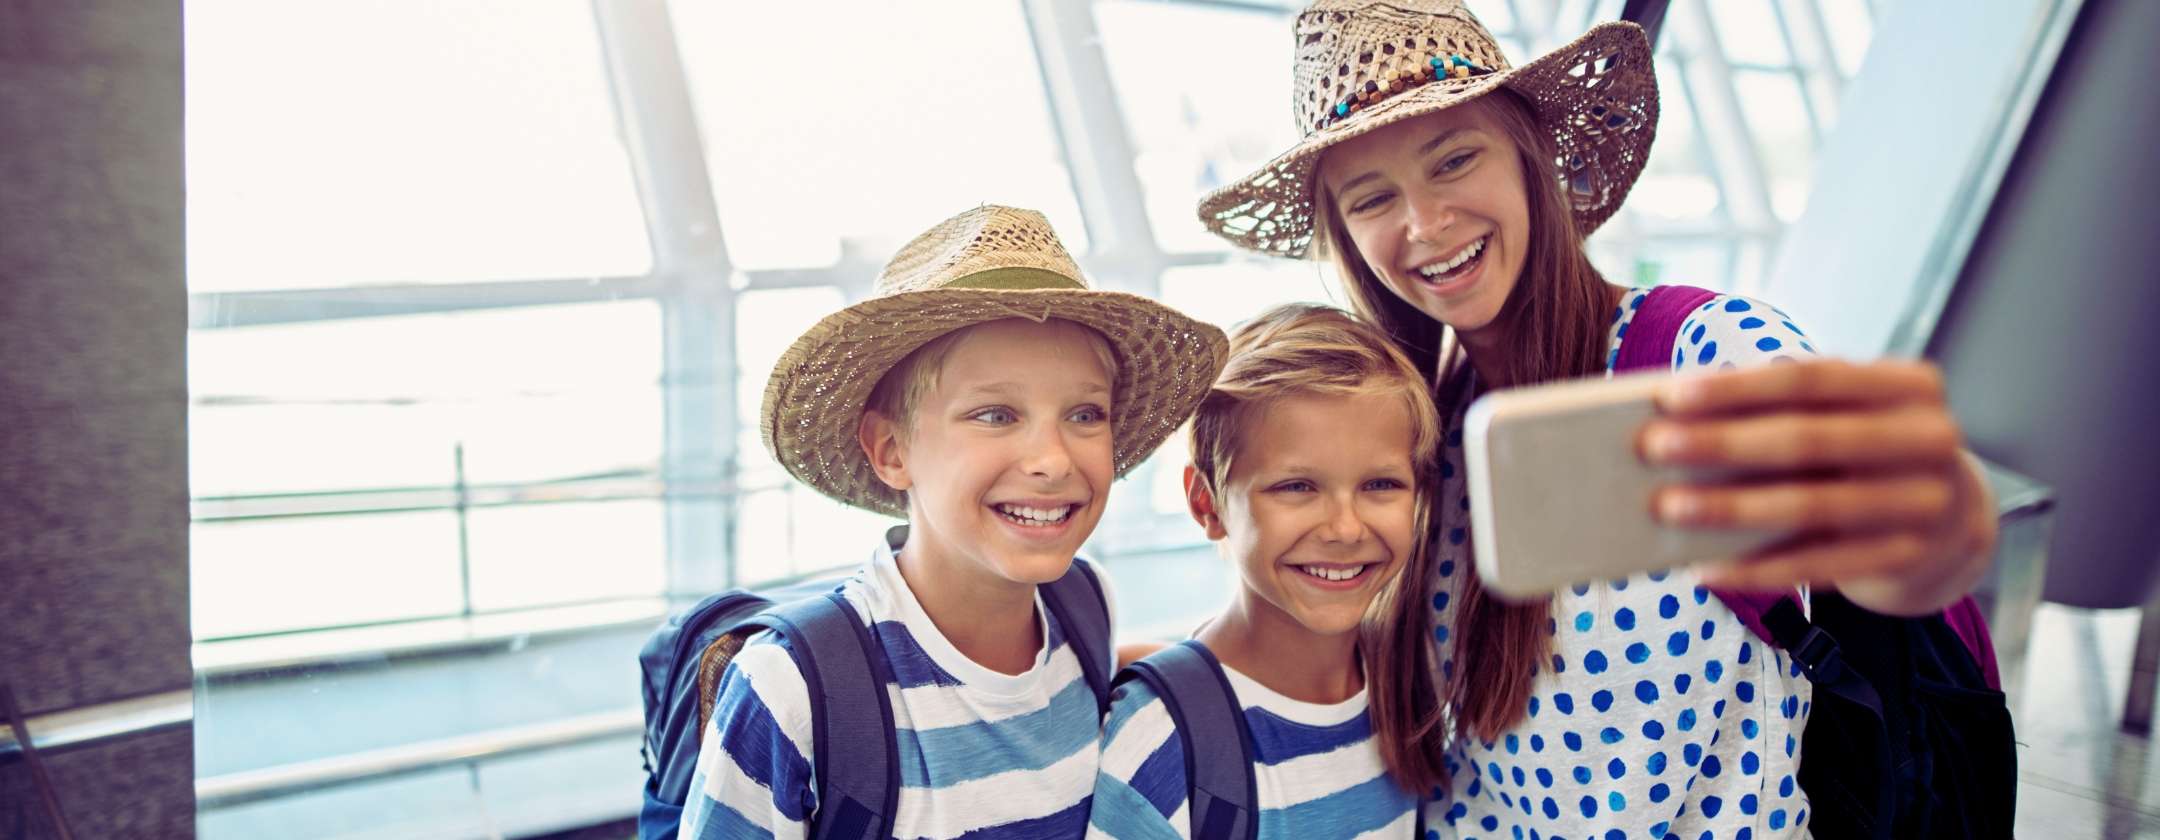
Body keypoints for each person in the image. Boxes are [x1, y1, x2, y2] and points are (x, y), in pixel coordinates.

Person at [1192, 2, 1999, 836]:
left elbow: (1900, 550)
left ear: (1532, 154)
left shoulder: (1706, 353)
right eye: (1371, 199)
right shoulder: (1416, 433)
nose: (1424, 225)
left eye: (1455, 159)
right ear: (1345, 236)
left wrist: (1925, 504)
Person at [677, 205, 1227, 839]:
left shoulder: (1082, 604)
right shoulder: (792, 688)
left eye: (1084, 414)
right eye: (995, 415)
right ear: (891, 451)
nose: (1052, 460)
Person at [1091, 304, 1439, 839]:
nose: (1345, 529)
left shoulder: (1412, 696)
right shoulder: (1159, 736)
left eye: (1380, 485)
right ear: (1206, 504)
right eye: (1296, 487)